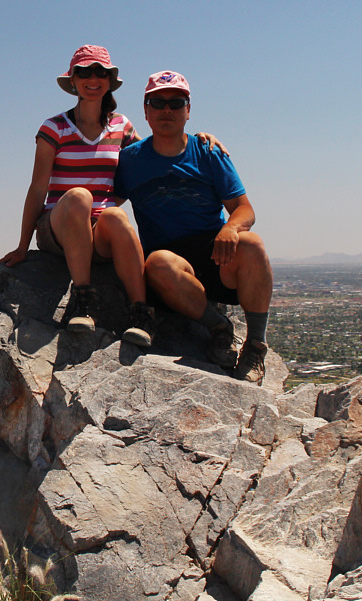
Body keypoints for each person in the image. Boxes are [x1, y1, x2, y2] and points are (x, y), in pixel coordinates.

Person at [0, 46, 222, 349]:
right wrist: (23, 246)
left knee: (116, 215)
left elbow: (155, 155)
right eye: (85, 72)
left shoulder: (121, 126)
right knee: (78, 197)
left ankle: (141, 313)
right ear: (73, 81)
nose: (94, 78)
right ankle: (82, 301)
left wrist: (197, 140)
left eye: (101, 72)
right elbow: (38, 188)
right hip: (59, 227)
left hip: (99, 232)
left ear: (109, 80)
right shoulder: (54, 128)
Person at [113, 70, 273, 383]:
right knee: (158, 262)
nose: (166, 110)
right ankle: (218, 328)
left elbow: (244, 210)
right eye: (157, 103)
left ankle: (255, 345)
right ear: (145, 111)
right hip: (170, 266)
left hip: (215, 253)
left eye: (176, 103)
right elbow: (105, 204)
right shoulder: (131, 161)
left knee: (252, 244)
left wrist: (231, 229)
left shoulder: (208, 152)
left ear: (189, 110)